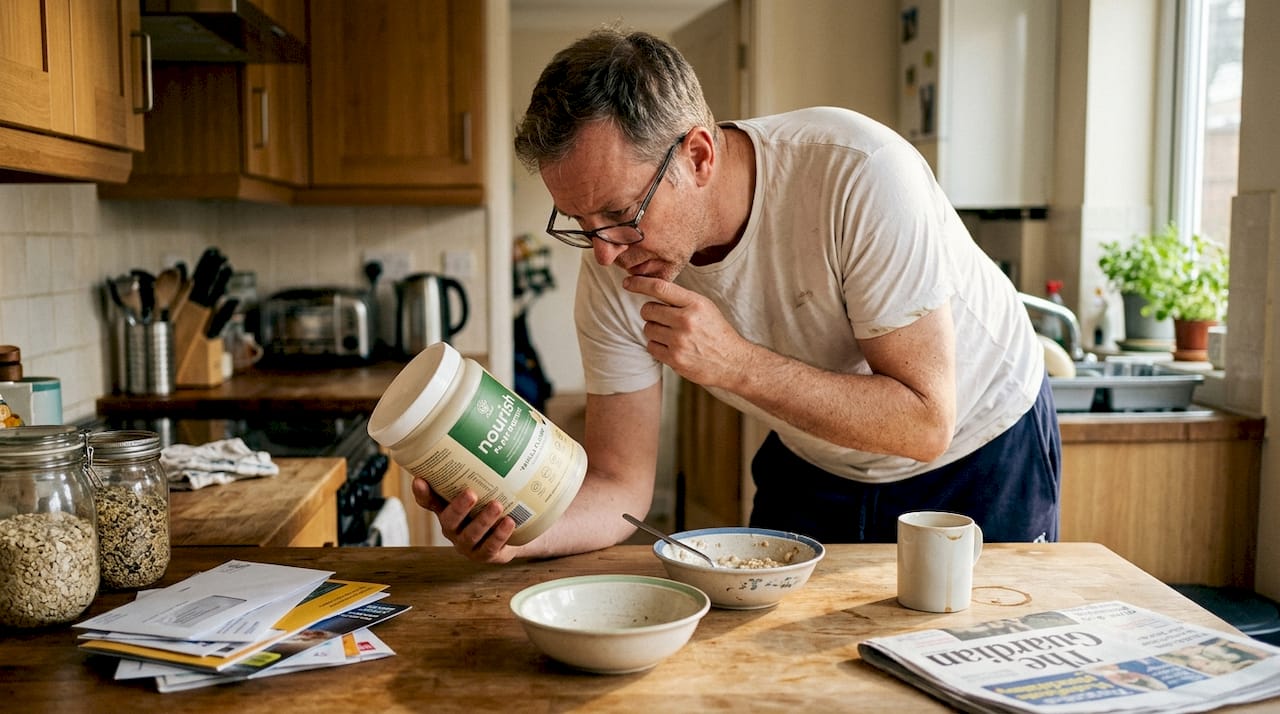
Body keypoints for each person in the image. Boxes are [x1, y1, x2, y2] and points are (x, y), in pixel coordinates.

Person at [413, 27, 1060, 563]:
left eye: (619, 211)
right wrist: (517, 536)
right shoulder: (613, 263)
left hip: (980, 448)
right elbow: (620, 486)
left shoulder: (859, 174)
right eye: (580, 224)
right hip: (813, 455)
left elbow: (925, 421)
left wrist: (735, 363)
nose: (605, 251)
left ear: (697, 155)